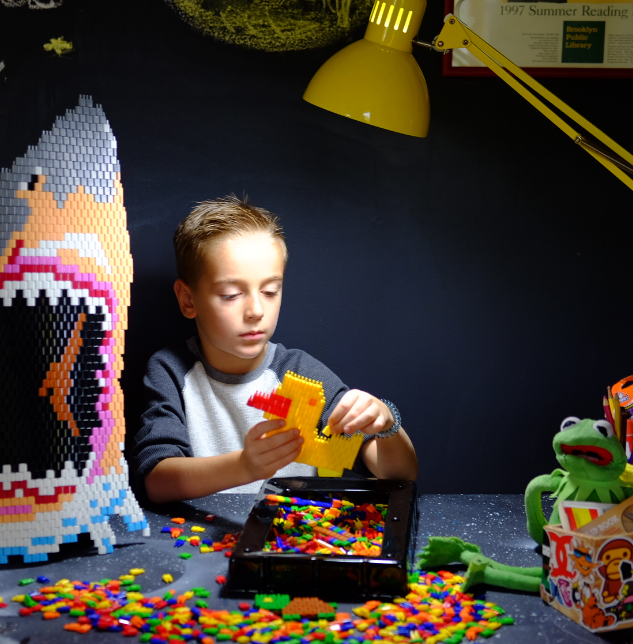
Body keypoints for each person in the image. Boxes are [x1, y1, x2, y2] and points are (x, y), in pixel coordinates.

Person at [131, 195, 418, 502]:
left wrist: (387, 424)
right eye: (230, 295)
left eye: (270, 291)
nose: (256, 310)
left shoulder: (300, 373)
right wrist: (244, 466)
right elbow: (157, 481)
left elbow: (400, 475)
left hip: (294, 541)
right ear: (188, 300)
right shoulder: (171, 370)